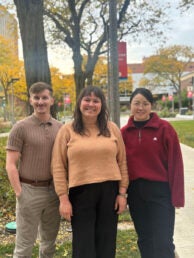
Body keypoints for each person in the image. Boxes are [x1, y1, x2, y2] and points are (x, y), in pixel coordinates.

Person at [51, 86, 129, 258]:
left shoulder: (112, 128)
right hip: (80, 193)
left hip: (109, 192)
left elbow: (122, 162)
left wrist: (122, 194)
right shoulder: (67, 130)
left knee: (106, 243)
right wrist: (63, 199)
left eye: (96, 101)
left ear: (102, 105)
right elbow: (58, 166)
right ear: (80, 103)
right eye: (87, 100)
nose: (91, 104)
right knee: (83, 245)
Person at [121, 88, 185, 258]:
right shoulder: (124, 133)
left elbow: (176, 163)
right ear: (130, 105)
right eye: (136, 103)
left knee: (163, 241)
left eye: (145, 104)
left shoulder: (165, 129)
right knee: (145, 239)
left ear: (151, 106)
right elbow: (120, 166)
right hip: (136, 193)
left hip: (160, 192)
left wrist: (177, 196)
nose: (140, 108)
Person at [6, 82, 62, 258]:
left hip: (54, 192)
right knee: (24, 246)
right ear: (31, 100)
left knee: (49, 244)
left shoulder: (61, 128)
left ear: (51, 100)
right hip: (29, 190)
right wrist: (20, 193)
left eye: (44, 97)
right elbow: (10, 164)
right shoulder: (20, 128)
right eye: (36, 98)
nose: (40, 102)